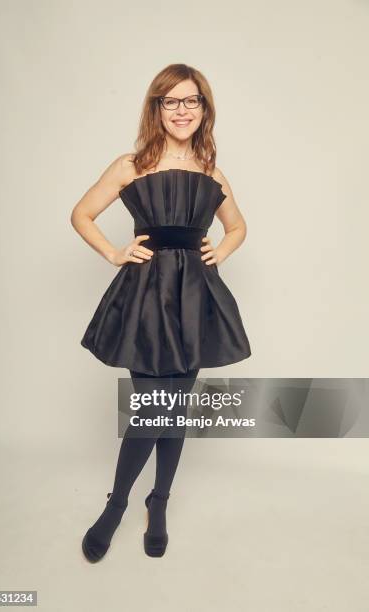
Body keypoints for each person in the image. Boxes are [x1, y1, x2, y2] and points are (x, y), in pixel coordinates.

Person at [70, 63, 251, 561]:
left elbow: (236, 227)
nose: (182, 110)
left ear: (204, 109)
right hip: (145, 298)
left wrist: (222, 251)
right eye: (171, 101)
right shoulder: (130, 164)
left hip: (194, 299)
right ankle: (118, 505)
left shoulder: (211, 171)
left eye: (192, 100)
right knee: (153, 411)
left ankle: (160, 500)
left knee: (174, 414)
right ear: (156, 108)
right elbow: (81, 213)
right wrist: (113, 253)